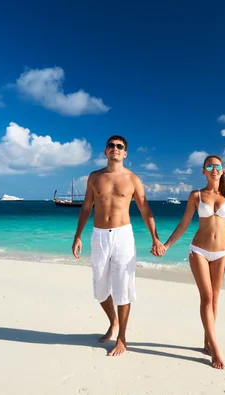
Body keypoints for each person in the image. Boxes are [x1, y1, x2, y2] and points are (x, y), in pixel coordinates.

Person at [72, 135, 165, 356]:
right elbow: (86, 207)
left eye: (119, 146)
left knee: (123, 287)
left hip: (123, 236)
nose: (115, 149)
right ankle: (113, 322)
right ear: (105, 151)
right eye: (111, 146)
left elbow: (145, 209)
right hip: (99, 235)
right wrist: (77, 236)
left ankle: (122, 338)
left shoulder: (133, 179)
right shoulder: (94, 177)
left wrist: (155, 238)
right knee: (101, 289)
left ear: (125, 153)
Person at [161, 155, 225, 369]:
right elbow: (184, 223)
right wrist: (167, 245)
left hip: (222, 253)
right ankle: (215, 348)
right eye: (209, 166)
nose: (214, 169)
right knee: (206, 297)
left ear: (222, 171)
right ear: (204, 171)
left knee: (215, 300)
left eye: (217, 166)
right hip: (199, 251)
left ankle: (207, 340)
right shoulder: (196, 195)